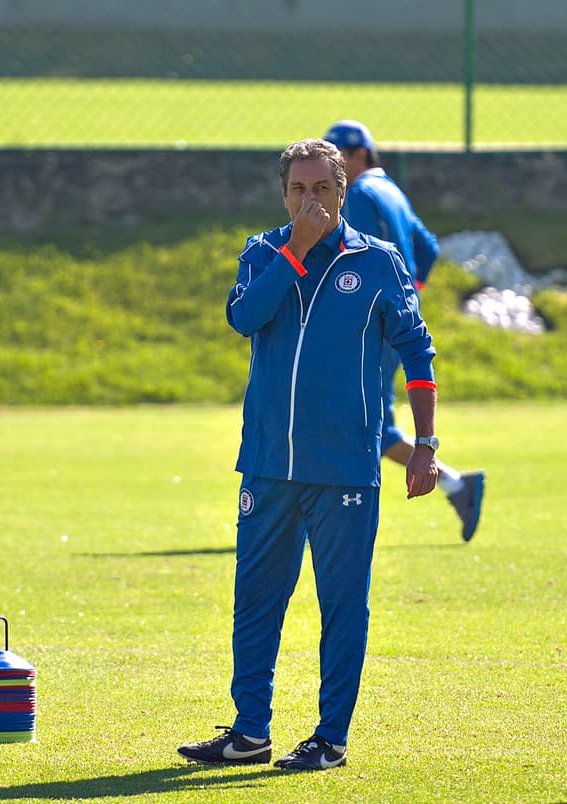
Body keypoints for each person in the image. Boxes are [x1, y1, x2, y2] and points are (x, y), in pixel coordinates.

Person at [178, 138, 438, 771]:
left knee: (342, 604)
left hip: (345, 466)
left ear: (343, 190)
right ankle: (249, 732)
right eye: (298, 190)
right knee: (256, 599)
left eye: (322, 188)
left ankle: (329, 738)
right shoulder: (263, 252)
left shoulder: (376, 262)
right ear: (283, 194)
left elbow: (417, 351)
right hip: (267, 464)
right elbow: (244, 319)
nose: (309, 200)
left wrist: (425, 444)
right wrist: (293, 250)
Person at [323, 120, 485, 541]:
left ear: (361, 154)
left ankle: (334, 515)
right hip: (398, 317)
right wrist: (412, 290)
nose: (332, 166)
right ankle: (456, 485)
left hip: (370, 323)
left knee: (360, 419)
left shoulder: (357, 194)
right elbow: (428, 245)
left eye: (338, 155)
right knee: (366, 418)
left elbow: (350, 256)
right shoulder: (391, 189)